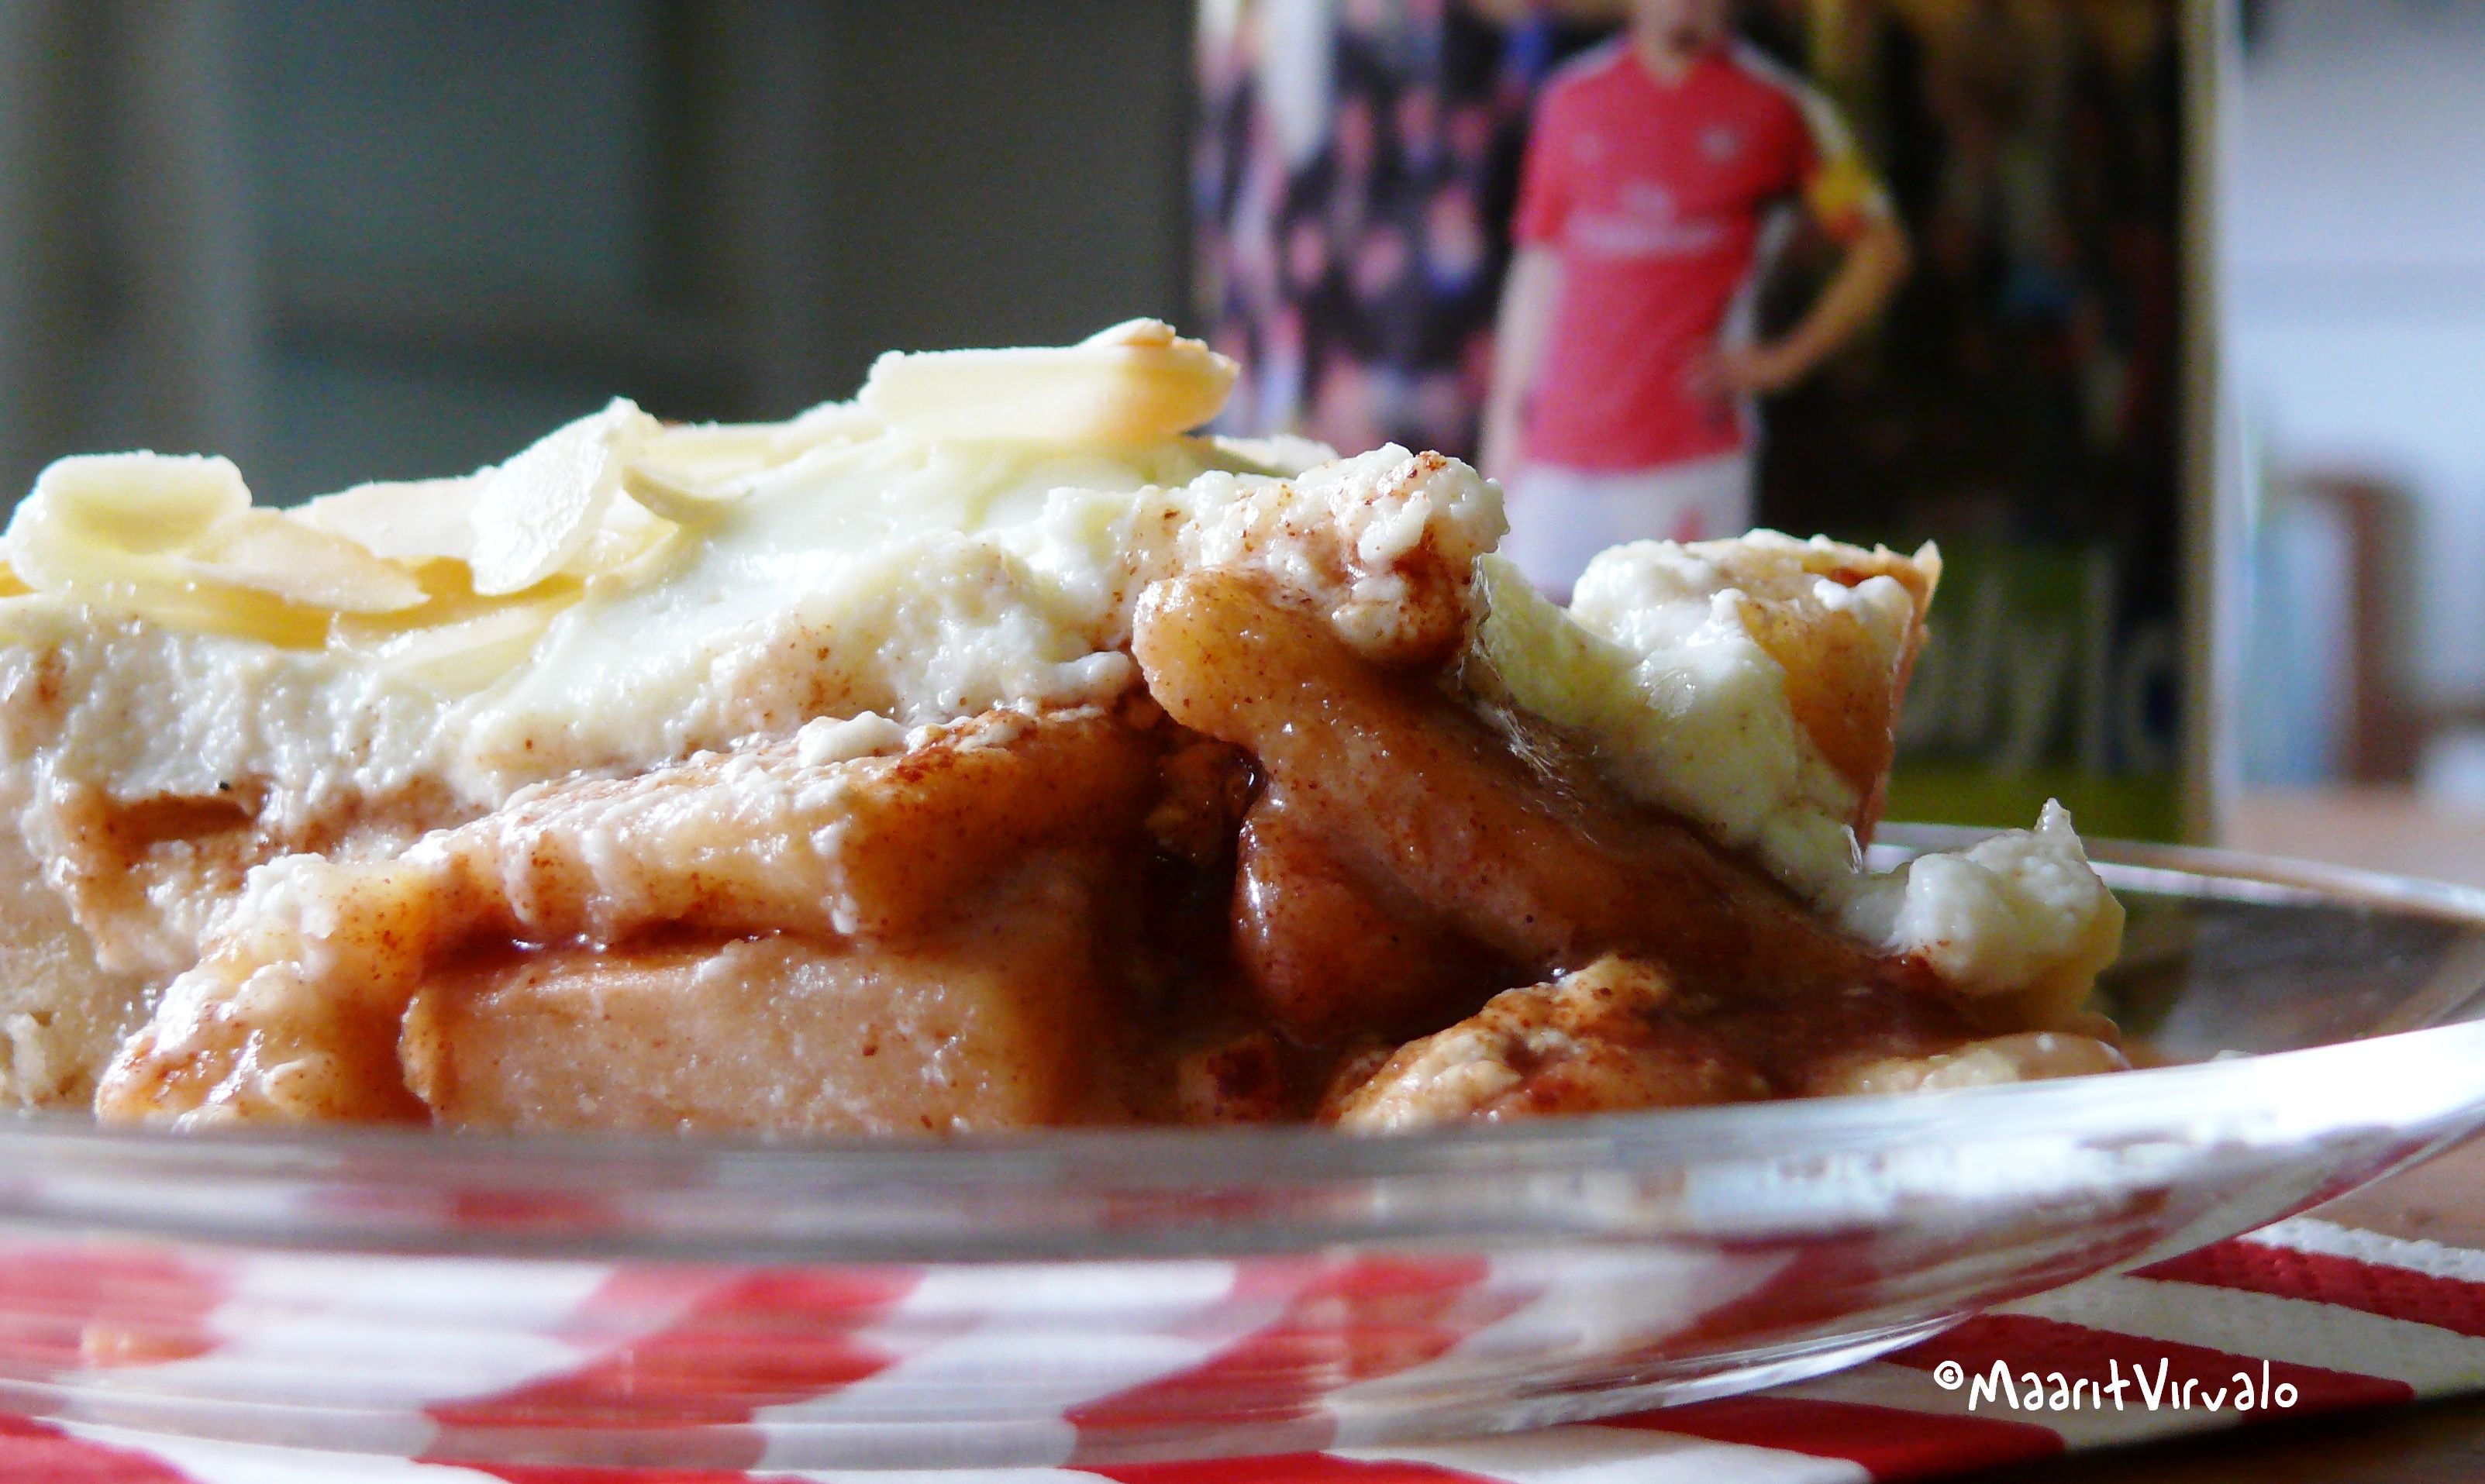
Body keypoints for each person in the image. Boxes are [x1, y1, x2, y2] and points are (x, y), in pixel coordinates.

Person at [1479, 0, 1911, 594]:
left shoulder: (1780, 105)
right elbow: (1537, 270)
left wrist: (1781, 363)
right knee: (1525, 641)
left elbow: (1882, 248)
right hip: (1557, 454)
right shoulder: (1570, 97)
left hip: (1690, 454)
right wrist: (1503, 435)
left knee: (1666, 645)